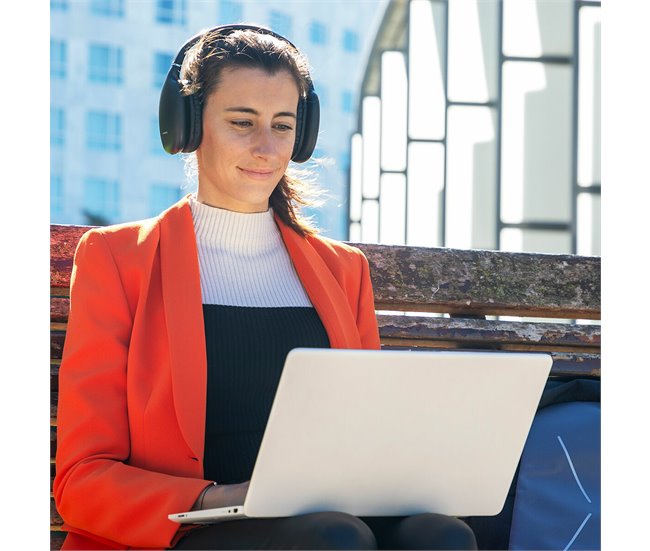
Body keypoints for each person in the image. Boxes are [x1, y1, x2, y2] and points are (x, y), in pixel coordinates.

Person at [53, 25, 478, 550]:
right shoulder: (118, 260)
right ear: (188, 127)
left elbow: (367, 438)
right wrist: (225, 497)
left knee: (441, 535)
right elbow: (82, 479)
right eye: (241, 122)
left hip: (323, 517)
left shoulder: (344, 272)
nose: (265, 146)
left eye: (282, 125)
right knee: (332, 537)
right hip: (189, 525)